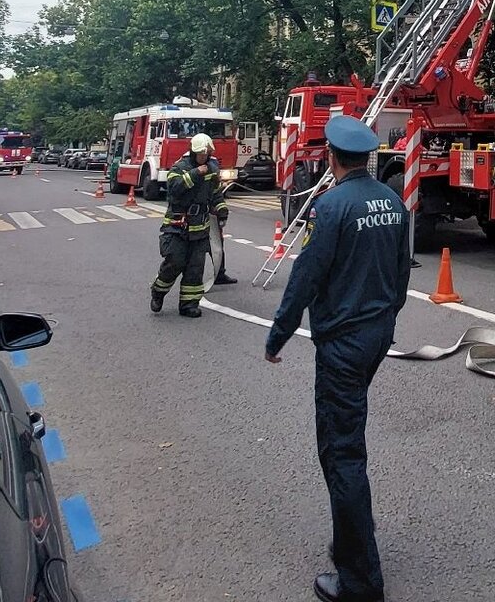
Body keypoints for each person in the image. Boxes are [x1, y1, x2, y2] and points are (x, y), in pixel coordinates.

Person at [265, 115, 411, 602]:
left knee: (342, 452)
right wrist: (387, 317)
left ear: (331, 157)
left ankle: (360, 581)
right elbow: (400, 272)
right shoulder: (392, 201)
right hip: (376, 335)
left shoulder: (329, 207)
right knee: (349, 439)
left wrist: (278, 335)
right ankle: (350, 539)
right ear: (367, 156)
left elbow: (305, 277)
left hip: (343, 343)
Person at [150, 132, 229, 317]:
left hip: (200, 228)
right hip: (178, 226)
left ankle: (188, 304)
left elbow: (216, 193)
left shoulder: (211, 169)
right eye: (201, 154)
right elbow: (174, 190)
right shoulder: (179, 167)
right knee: (174, 263)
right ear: (193, 152)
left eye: (206, 154)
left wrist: (221, 208)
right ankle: (158, 291)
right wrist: (195, 173)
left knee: (195, 268)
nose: (204, 157)